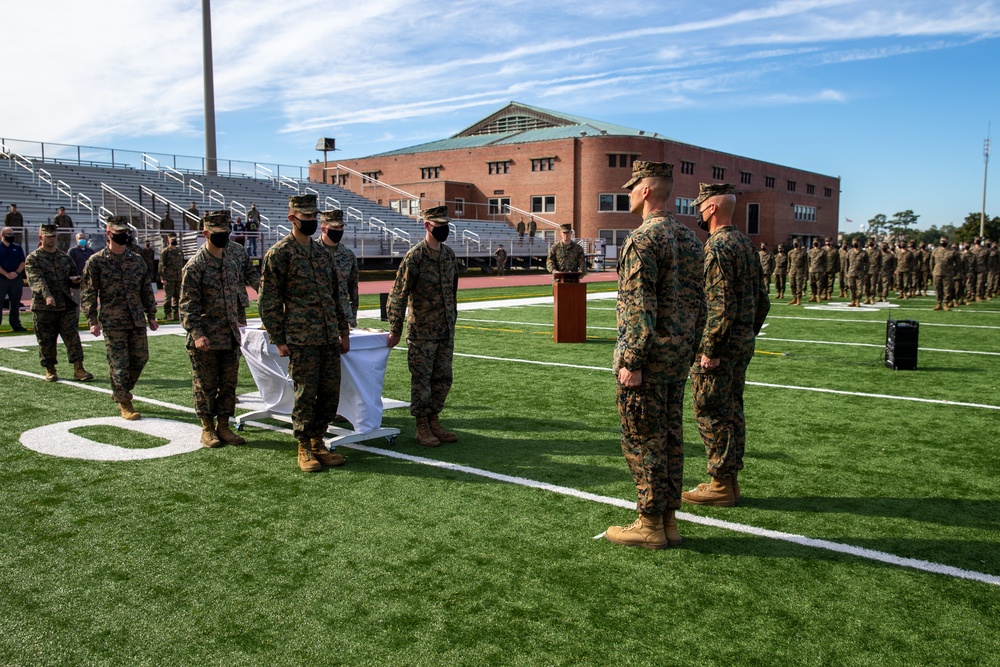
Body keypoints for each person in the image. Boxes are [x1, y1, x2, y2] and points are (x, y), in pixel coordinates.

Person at [605, 161, 705, 550]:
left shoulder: (642, 240)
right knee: (670, 439)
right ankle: (667, 520)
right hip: (678, 358)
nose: (628, 193)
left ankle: (649, 524)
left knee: (643, 440)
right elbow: (700, 306)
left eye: (632, 187)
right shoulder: (690, 239)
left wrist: (631, 360)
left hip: (647, 362)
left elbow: (638, 308)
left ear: (646, 191)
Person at [682, 183, 769, 507]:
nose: (699, 213)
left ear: (712, 208)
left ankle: (719, 483)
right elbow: (762, 301)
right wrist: (747, 333)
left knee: (712, 413)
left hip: (720, 349)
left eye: (701, 206)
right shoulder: (745, 244)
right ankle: (729, 481)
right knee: (732, 411)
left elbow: (718, 306)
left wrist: (711, 350)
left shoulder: (717, 247)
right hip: (741, 344)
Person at [258, 194, 351, 472]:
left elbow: (335, 296)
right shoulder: (280, 254)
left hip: (327, 336)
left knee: (329, 392)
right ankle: (303, 445)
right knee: (306, 393)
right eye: (306, 217)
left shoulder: (322, 254)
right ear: (292, 218)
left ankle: (318, 440)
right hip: (301, 338)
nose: (310, 221)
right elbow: (268, 300)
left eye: (313, 217)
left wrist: (342, 331)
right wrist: (279, 337)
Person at [386, 205, 459, 448]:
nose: (444, 229)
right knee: (422, 380)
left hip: (445, 330)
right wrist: (395, 328)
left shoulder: (448, 256)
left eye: (446, 225)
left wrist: (453, 320)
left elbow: (453, 292)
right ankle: (422, 426)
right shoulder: (415, 257)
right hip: (422, 332)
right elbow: (398, 293)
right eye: (439, 226)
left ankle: (434, 419)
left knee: (443, 378)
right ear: (427, 226)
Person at [180, 211, 248, 448]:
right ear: (206, 234)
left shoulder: (230, 262)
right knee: (205, 385)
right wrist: (197, 334)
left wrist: (238, 322)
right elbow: (187, 305)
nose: (224, 237)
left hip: (229, 335)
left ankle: (224, 426)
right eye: (219, 234)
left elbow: (235, 297)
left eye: (227, 233)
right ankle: (207, 429)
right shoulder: (195, 266)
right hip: (206, 338)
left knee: (229, 384)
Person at [80, 215, 159, 420]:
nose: (123, 237)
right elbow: (88, 292)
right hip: (113, 320)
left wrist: (151, 314)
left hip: (136, 319)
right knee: (119, 363)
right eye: (118, 233)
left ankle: (119, 390)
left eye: (125, 233)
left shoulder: (136, 260)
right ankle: (125, 401)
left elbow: (145, 289)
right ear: (108, 233)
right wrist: (92, 320)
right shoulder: (96, 261)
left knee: (141, 358)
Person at [23, 224, 94, 382]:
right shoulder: (33, 258)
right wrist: (47, 295)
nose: (51, 239)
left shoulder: (64, 257)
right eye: (48, 236)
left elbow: (72, 276)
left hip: (64, 305)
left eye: (53, 236)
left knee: (72, 337)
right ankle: (50, 369)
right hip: (44, 307)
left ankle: (79, 368)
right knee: (46, 340)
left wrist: (75, 281)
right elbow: (36, 280)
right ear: (41, 238)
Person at [319, 209, 359, 328]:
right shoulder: (313, 252)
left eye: (341, 227)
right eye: (335, 228)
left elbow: (353, 288)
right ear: (323, 229)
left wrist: (353, 315)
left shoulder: (348, 255)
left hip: (344, 314)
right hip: (319, 316)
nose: (339, 231)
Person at [0, 226, 27, 331]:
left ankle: (16, 325)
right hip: (1, 279)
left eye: (12, 234)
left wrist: (16, 273)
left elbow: (22, 262)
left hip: (16, 279)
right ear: (2, 235)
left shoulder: (17, 247)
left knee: (15, 303)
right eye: (9, 234)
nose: (11, 236)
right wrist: (5, 273)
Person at [159, 234, 184, 320]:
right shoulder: (165, 252)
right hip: (169, 278)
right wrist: (163, 278)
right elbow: (161, 265)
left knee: (178, 297)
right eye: (172, 239)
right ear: (168, 240)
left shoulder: (179, 251)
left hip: (178, 278)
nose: (174, 241)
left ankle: (177, 314)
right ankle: (168, 314)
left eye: (175, 239)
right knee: (168, 297)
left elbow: (182, 265)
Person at [68, 233, 95, 304]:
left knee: (89, 302)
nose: (82, 240)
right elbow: (69, 265)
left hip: (88, 280)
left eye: (83, 238)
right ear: (76, 240)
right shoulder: (72, 251)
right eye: (80, 238)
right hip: (77, 280)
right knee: (76, 301)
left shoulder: (90, 251)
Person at [930, 237, 955, 311]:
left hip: (948, 273)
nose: (942, 242)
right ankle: (939, 304)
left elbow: (958, 263)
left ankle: (946, 304)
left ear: (948, 242)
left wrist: (955, 271)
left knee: (947, 289)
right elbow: (931, 262)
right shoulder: (936, 251)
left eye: (944, 241)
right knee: (937, 289)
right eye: (941, 241)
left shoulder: (952, 252)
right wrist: (932, 271)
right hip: (937, 272)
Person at [845, 239, 868, 307]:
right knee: (852, 288)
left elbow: (867, 263)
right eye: (853, 243)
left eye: (856, 243)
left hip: (860, 273)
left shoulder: (864, 253)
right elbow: (846, 263)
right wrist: (846, 272)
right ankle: (853, 301)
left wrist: (866, 272)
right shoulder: (849, 252)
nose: (855, 244)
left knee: (859, 289)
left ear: (859, 243)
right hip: (851, 272)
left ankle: (858, 301)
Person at [787, 240, 807, 306]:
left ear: (799, 244)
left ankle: (798, 299)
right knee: (792, 284)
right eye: (794, 243)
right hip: (792, 270)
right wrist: (788, 270)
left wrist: (805, 271)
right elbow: (789, 262)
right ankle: (794, 298)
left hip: (800, 270)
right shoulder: (790, 252)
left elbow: (806, 263)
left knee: (799, 285)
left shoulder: (803, 253)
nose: (795, 244)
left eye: (796, 243)